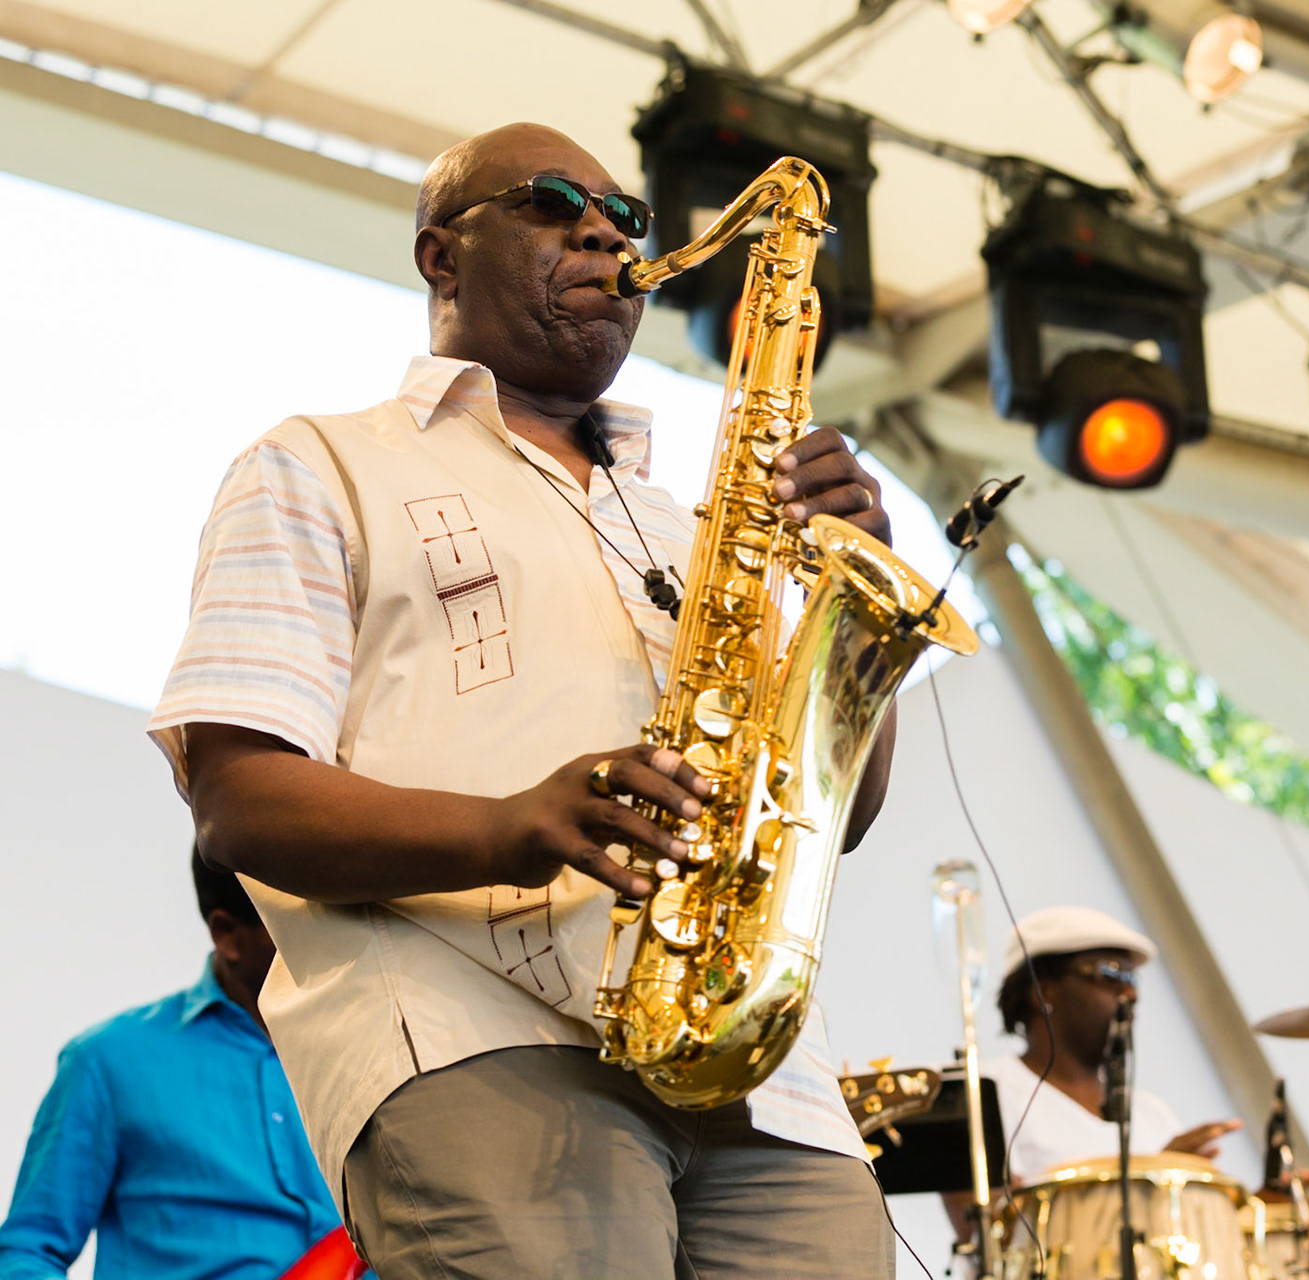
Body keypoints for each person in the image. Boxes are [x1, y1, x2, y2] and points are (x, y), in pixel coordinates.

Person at [147, 123, 898, 1280]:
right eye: (551, 202)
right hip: (474, 1032)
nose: (602, 230)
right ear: (440, 255)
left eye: (623, 216)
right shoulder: (316, 463)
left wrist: (849, 590)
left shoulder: (697, 526)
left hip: (764, 1081)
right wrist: (513, 822)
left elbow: (830, 804)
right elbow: (238, 798)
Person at [0, 848, 342, 1279]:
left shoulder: (370, 1062)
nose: (332, 941)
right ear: (226, 933)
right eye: (300, 926)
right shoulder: (107, 1061)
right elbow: (27, 1252)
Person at [983, 906, 1241, 1188]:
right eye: (1112, 974)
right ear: (1044, 992)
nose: (1131, 994)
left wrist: (1266, 1213)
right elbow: (987, 1224)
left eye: (1133, 978)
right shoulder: (982, 1092)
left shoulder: (1153, 1115)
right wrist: (1151, 1181)